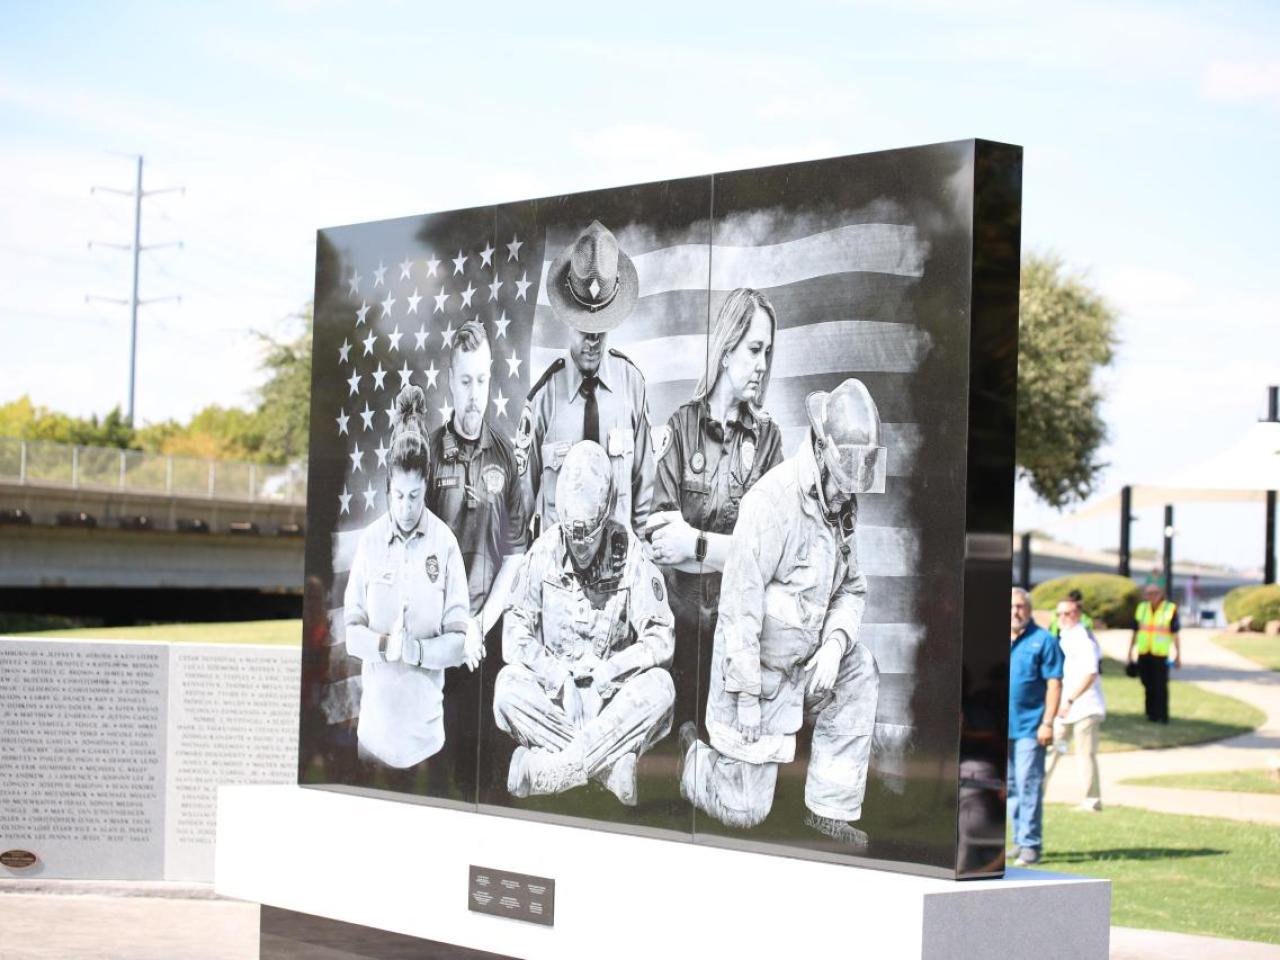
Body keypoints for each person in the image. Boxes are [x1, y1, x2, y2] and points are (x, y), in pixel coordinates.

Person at [677, 378, 884, 847]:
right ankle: (690, 754)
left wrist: (834, 645)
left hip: (808, 666)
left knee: (860, 669)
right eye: (849, 461)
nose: (857, 474)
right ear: (823, 449)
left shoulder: (843, 504)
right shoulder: (771, 503)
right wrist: (747, 698)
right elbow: (738, 613)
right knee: (746, 810)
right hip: (757, 678)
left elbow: (852, 587)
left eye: (864, 463)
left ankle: (828, 809)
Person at [493, 440, 675, 806]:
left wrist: (609, 675)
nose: (580, 548)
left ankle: (551, 770)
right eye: (571, 536)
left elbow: (661, 637)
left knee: (662, 688)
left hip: (610, 700)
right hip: (557, 698)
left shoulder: (630, 553)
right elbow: (514, 634)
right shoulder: (542, 552)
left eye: (589, 536)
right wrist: (558, 679)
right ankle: (607, 766)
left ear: (606, 514)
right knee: (506, 687)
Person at [646, 288, 785, 730]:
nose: (762, 365)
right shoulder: (681, 428)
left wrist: (696, 543)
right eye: (754, 349)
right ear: (726, 351)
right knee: (676, 760)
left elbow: (769, 554)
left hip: (739, 636)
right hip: (679, 636)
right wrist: (730, 553)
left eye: (768, 352)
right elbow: (661, 545)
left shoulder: (769, 441)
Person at [343, 386, 484, 772]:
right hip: (372, 742)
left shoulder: (445, 544)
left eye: (415, 496)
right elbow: (352, 635)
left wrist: (417, 652)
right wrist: (388, 645)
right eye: (399, 496)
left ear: (427, 487)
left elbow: (458, 642)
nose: (406, 508)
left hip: (428, 747)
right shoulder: (370, 542)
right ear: (388, 487)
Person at [425, 319, 528, 795]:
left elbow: (514, 554)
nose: (474, 395)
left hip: (488, 636)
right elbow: (416, 557)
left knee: (491, 775)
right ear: (450, 380)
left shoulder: (505, 455)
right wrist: (453, 626)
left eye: (482, 381)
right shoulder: (428, 455)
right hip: (439, 641)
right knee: (444, 771)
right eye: (465, 381)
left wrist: (481, 623)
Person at [514, 220, 655, 536]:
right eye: (584, 331)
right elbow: (520, 509)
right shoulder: (543, 398)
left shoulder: (632, 387)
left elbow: (646, 497)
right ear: (567, 320)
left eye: (600, 330)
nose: (593, 342)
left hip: (618, 571)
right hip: (560, 573)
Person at [1008, 587, 1064, 866]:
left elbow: (1054, 684)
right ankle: (1018, 841)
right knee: (1010, 787)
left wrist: (1047, 723)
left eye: (1020, 606)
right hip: (1000, 728)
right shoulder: (997, 638)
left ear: (1029, 609)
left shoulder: (1044, 641)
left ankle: (1031, 844)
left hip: (1031, 727)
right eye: (1011, 607)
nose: (1015, 612)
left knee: (1028, 785)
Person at [1044, 597, 1105, 811]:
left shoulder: (1083, 638)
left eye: (1067, 613)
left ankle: (1091, 800)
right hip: (1063, 711)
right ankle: (1036, 794)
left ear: (1077, 615)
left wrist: (1070, 699)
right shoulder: (1063, 637)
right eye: (1059, 614)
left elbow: (1091, 674)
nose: (1062, 618)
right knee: (1054, 749)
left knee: (1084, 755)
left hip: (1084, 709)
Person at [1127, 577, 1181, 724]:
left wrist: (1177, 655)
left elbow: (1175, 634)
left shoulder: (1169, 609)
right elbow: (1135, 631)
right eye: (1149, 593)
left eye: (1155, 593)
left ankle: (1162, 715)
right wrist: (1129, 651)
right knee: (1147, 683)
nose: (1152, 596)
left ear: (1161, 594)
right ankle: (1150, 713)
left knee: (1161, 685)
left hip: (1160, 653)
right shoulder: (1142, 609)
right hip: (1144, 652)